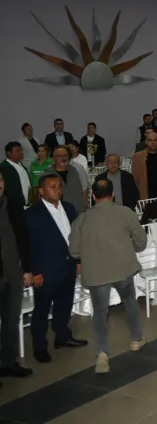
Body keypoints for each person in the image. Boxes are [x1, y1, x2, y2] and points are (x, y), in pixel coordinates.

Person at [67, 179, 146, 373]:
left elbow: (74, 251)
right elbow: (141, 241)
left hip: (96, 273)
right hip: (123, 269)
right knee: (130, 303)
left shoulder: (82, 219)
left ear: (93, 196)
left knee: (100, 312)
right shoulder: (125, 212)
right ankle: (136, 339)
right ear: (113, 194)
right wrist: (132, 248)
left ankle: (101, 351)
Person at [26, 173, 86, 363]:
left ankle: (63, 336)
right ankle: (40, 347)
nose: (57, 190)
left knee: (64, 304)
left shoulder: (68, 207)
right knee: (42, 311)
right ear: (41, 191)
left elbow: (76, 236)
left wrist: (78, 260)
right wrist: (34, 271)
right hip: (45, 270)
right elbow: (28, 246)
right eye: (52, 187)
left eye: (59, 186)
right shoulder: (32, 214)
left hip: (68, 265)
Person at [0, 172, 33, 380]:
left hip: (13, 271)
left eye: (1, 180)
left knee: (11, 319)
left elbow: (23, 238)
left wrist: (27, 269)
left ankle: (8, 363)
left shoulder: (12, 206)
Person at [131, 130, 157, 200]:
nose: (153, 142)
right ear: (146, 141)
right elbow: (135, 179)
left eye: (155, 140)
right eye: (150, 140)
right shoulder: (137, 157)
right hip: (146, 196)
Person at [1, 142, 31, 211]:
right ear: (9, 153)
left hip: (27, 205)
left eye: (21, 150)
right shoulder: (4, 168)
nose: (21, 152)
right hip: (14, 208)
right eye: (18, 150)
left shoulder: (21, 165)